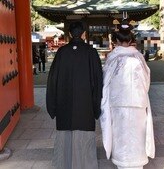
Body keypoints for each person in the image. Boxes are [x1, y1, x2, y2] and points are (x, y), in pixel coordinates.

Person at [46, 21, 103, 169]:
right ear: (84, 33)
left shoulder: (61, 52)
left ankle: (64, 164)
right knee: (84, 135)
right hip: (86, 104)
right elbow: (98, 81)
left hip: (64, 103)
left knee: (65, 135)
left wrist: (52, 106)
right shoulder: (91, 52)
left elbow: (52, 80)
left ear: (70, 34)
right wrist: (96, 106)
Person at [100, 20, 155, 169]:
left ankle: (122, 163)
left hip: (118, 103)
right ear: (131, 40)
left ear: (116, 40)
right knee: (137, 133)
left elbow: (105, 81)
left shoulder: (113, 58)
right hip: (137, 101)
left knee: (121, 134)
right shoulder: (138, 57)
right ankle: (137, 164)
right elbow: (146, 80)